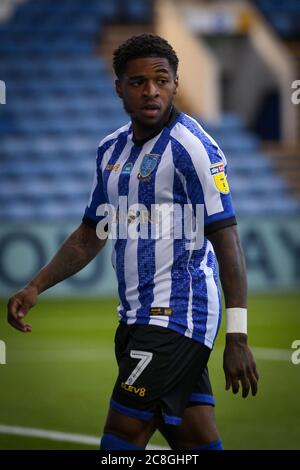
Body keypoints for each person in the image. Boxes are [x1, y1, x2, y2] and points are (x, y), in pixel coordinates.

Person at [7, 33, 259, 451]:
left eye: (162, 80)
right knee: (193, 437)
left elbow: (227, 240)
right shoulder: (110, 150)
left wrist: (238, 337)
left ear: (176, 83)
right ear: (119, 87)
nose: (151, 91)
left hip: (178, 316)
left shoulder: (192, 149)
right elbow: (91, 233)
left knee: (122, 435)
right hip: (135, 319)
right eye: (138, 81)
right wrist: (36, 286)